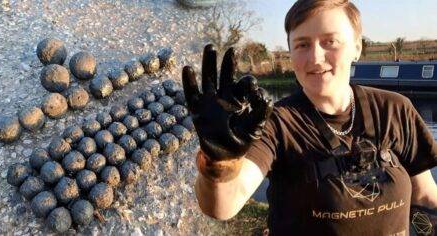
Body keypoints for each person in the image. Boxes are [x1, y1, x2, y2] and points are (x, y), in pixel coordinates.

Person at [181, 0, 437, 234]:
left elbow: (425, 197)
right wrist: (220, 161)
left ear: (357, 47)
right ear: (291, 52)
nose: (315, 57)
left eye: (330, 41)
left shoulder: (394, 109)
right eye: (302, 44)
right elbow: (224, 206)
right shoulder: (276, 123)